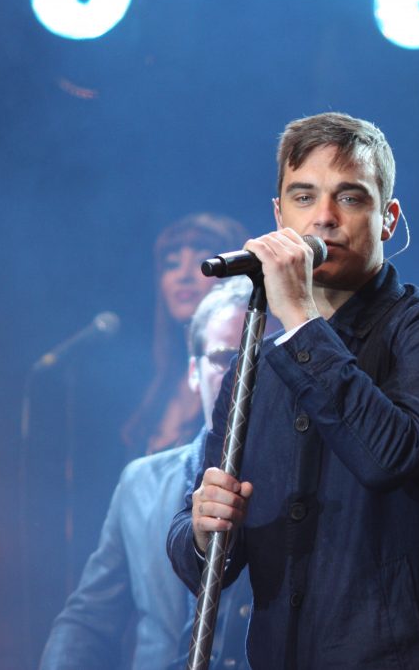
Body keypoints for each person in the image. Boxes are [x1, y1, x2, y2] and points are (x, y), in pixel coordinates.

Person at [167, 112, 419, 669]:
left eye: (350, 197)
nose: (324, 217)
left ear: (388, 218)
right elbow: (202, 561)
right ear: (279, 217)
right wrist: (202, 529)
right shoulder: (255, 368)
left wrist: (298, 314)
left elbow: (388, 455)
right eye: (304, 197)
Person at [40, 278, 255, 670]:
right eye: (224, 359)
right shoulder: (140, 482)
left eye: (259, 358)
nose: (242, 375)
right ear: (193, 372)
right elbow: (89, 620)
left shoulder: (308, 479)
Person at [122, 212, 250, 455]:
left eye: (203, 262)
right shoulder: (154, 387)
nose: (184, 275)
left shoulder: (240, 378)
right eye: (172, 265)